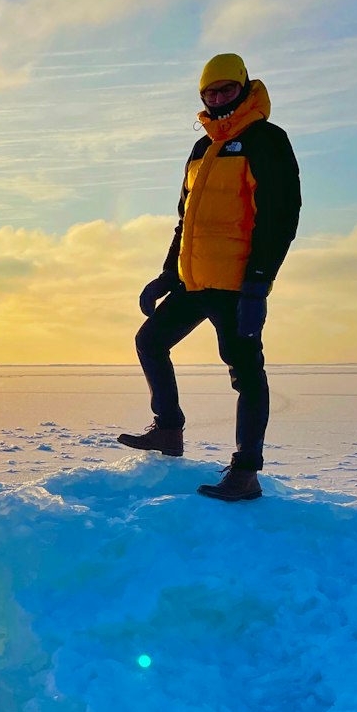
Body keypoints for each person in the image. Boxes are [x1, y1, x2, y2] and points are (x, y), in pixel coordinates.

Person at [118, 53, 301, 500]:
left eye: (226, 90)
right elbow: (187, 223)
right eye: (210, 92)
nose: (218, 98)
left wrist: (258, 284)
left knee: (245, 372)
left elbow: (280, 216)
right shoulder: (201, 149)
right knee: (150, 340)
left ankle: (246, 470)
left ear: (244, 87)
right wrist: (167, 274)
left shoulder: (266, 140)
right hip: (193, 282)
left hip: (238, 284)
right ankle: (168, 430)